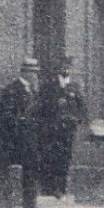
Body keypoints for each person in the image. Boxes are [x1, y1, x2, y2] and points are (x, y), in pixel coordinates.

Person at [0, 57, 44, 208]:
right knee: (18, 167)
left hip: (31, 137)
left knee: (32, 167)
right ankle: (14, 201)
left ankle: (30, 203)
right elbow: (6, 114)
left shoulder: (33, 90)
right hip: (17, 137)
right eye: (33, 73)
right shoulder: (13, 89)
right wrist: (21, 124)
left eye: (36, 73)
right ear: (25, 73)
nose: (36, 76)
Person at [36, 56, 87, 198]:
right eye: (63, 67)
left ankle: (61, 187)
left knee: (65, 157)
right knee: (50, 156)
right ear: (59, 69)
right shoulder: (50, 86)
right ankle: (49, 188)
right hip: (52, 129)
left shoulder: (75, 87)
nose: (66, 69)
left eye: (68, 67)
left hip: (68, 130)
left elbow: (82, 107)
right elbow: (42, 106)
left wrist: (77, 120)